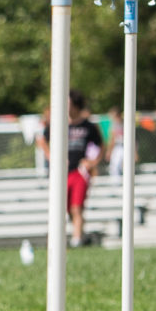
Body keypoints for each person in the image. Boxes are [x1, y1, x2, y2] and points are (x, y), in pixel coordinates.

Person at [36, 90, 105, 247]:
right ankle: (76, 235)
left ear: (75, 105)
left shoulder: (88, 126)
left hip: (79, 172)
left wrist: (92, 162)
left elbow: (101, 145)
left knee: (77, 207)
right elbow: (42, 140)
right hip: (61, 174)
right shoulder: (58, 124)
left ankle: (77, 239)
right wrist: (52, 157)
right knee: (64, 208)